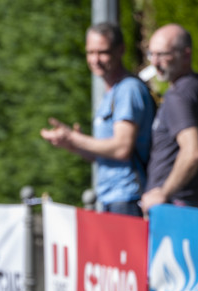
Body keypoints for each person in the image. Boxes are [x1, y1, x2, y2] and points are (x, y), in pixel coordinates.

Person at [40, 22, 155, 216]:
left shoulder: (128, 90)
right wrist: (72, 144)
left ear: (121, 51)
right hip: (110, 196)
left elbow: (121, 148)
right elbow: (103, 152)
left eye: (103, 52)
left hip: (128, 196)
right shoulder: (110, 93)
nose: (95, 59)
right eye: (90, 52)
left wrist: (75, 138)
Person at [140, 23, 198, 213]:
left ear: (186, 55)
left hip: (176, 208)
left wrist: (163, 192)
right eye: (151, 54)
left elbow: (193, 151)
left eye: (162, 55)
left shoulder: (178, 96)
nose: (155, 62)